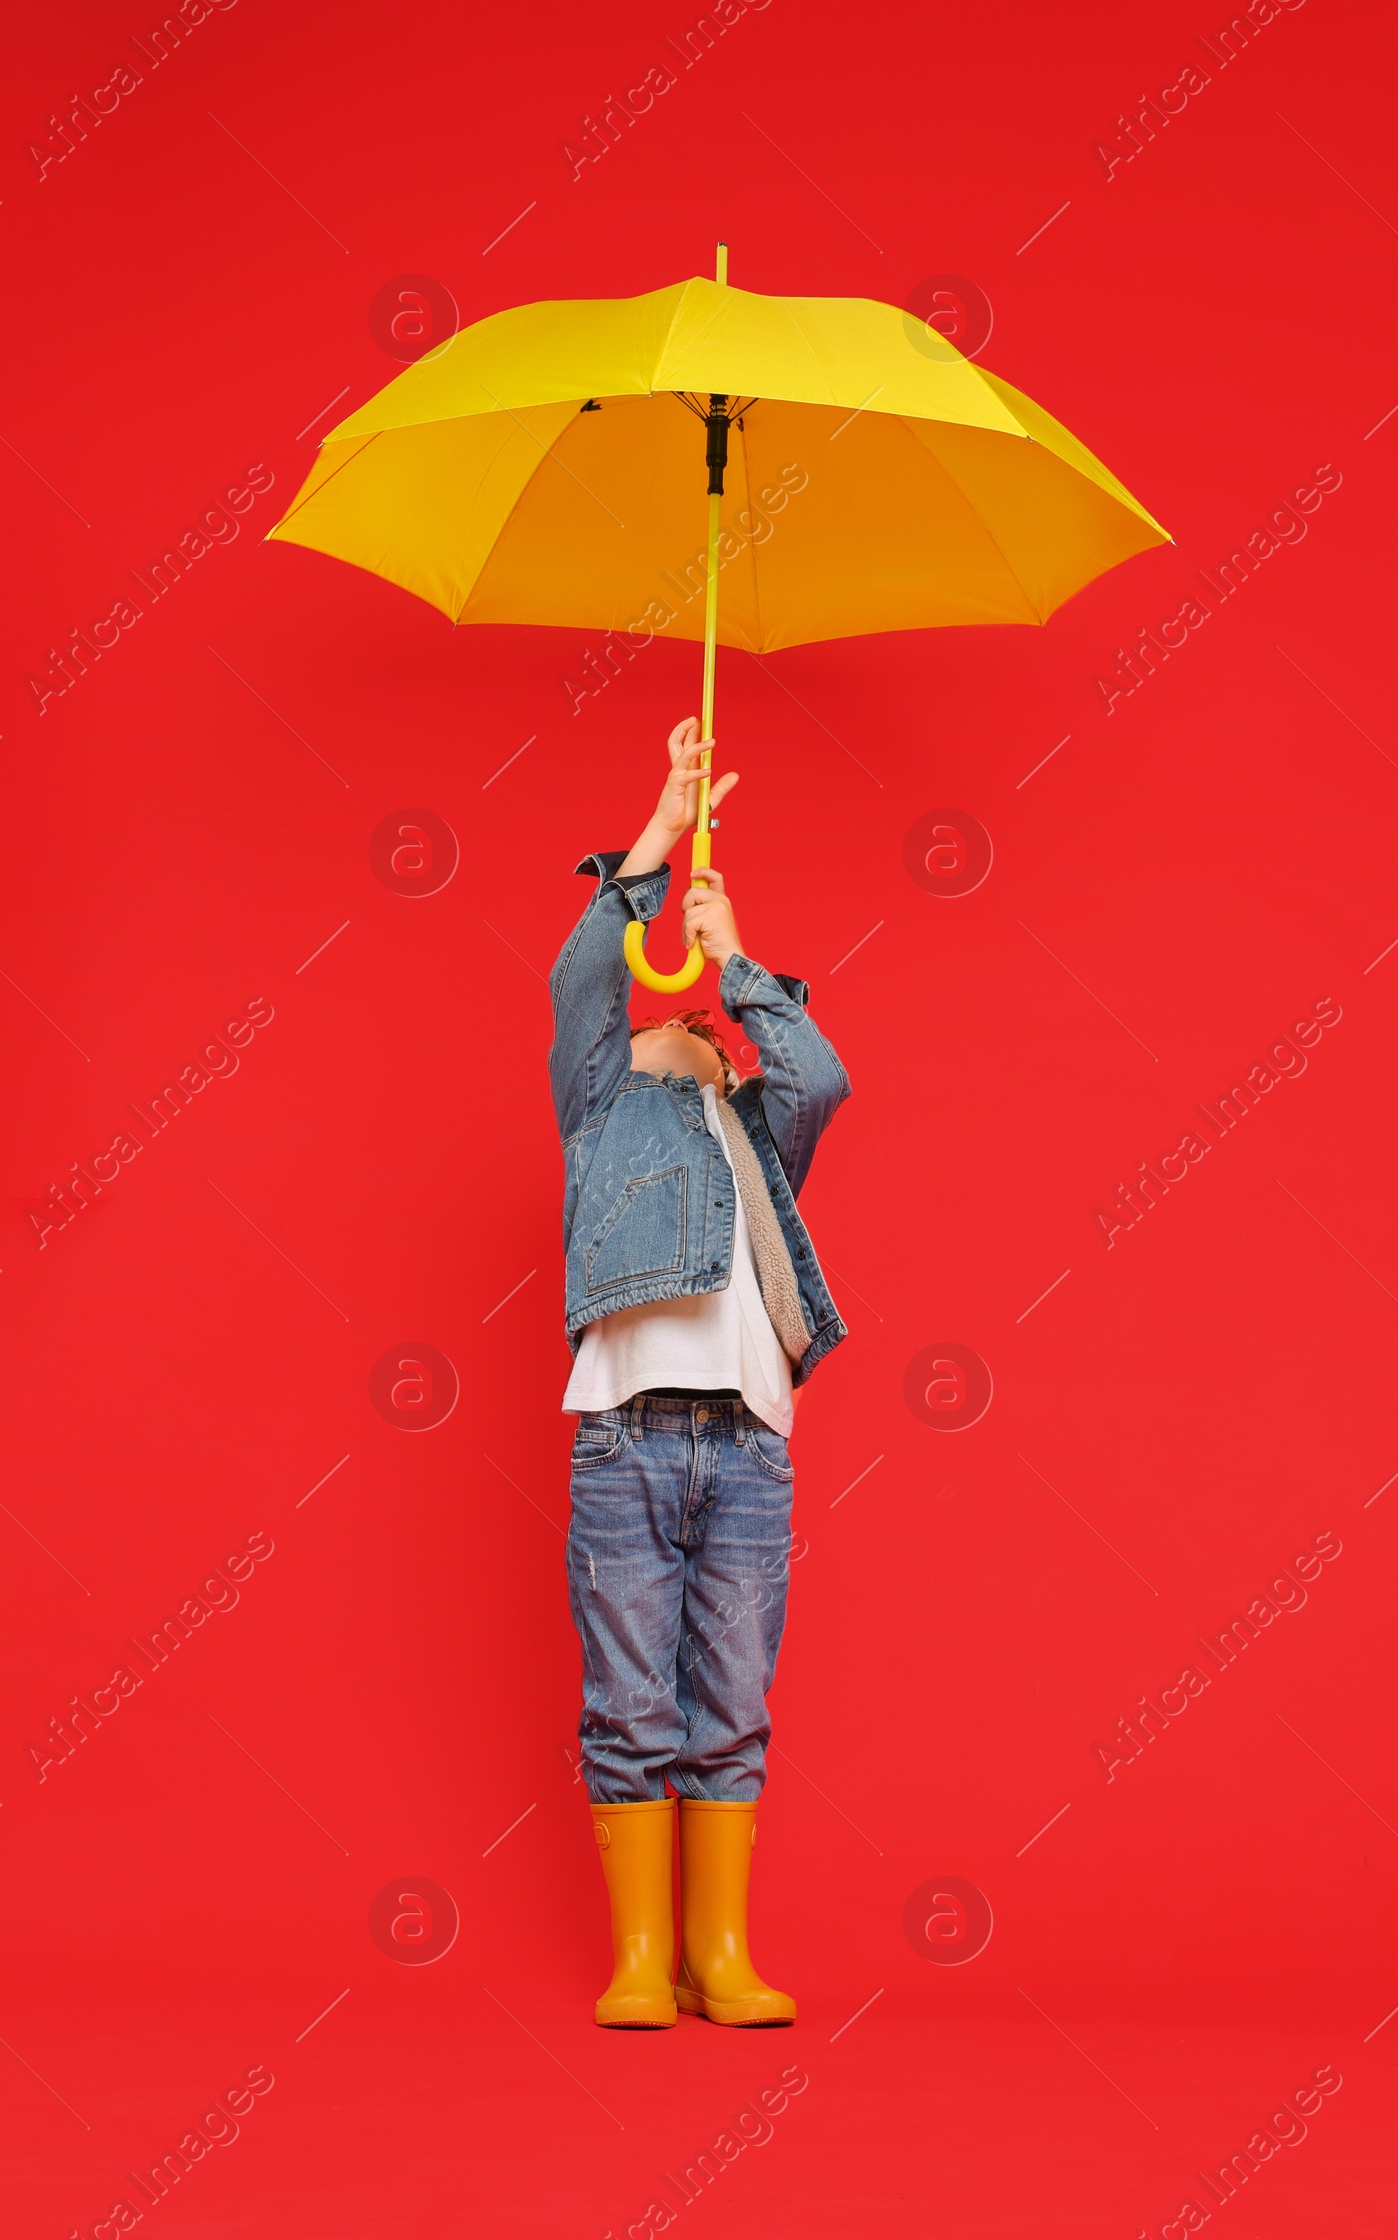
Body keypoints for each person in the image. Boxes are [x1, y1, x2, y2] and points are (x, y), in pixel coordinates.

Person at [548, 715, 852, 2028]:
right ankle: (637, 1960)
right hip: (624, 1436)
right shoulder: (602, 1101)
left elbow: (823, 1073)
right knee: (629, 1694)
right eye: (668, 1012)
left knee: (730, 1701)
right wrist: (662, 842)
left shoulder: (760, 1130)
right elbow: (582, 985)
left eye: (713, 1028)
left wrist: (741, 967)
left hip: (749, 1449)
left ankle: (715, 1953)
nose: (688, 1024)